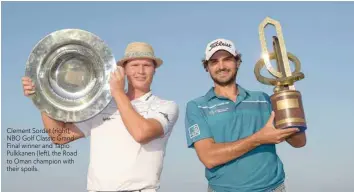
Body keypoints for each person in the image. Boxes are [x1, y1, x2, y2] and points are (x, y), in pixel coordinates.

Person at [22, 42, 179, 192]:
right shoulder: (102, 105)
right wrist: (42, 98)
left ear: (154, 70)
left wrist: (117, 91)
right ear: (123, 70)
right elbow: (60, 136)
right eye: (134, 65)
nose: (141, 71)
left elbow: (141, 133)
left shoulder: (166, 106)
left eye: (147, 65)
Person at [184, 38, 306, 192]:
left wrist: (289, 100)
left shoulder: (262, 99)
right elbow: (209, 158)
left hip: (273, 188)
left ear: (238, 62)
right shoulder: (197, 106)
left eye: (227, 59)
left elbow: (299, 141)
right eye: (214, 61)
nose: (221, 66)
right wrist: (259, 138)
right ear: (207, 67)